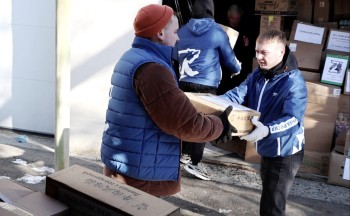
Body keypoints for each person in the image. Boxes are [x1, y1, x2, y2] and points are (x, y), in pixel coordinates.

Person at [100, 4, 235, 197]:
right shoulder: (154, 70)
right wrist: (220, 124)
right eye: (175, 31)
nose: (179, 37)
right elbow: (186, 124)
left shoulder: (130, 57)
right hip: (142, 175)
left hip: (127, 165)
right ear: (160, 34)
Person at [221, 29, 307, 215]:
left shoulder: (294, 82)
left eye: (264, 52)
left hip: (285, 150)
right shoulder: (258, 74)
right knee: (268, 194)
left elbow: (293, 120)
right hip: (267, 145)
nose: (259, 57)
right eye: (257, 51)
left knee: (273, 201)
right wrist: (216, 103)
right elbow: (238, 94)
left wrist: (267, 130)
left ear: (281, 51)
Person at [173, 0, 241, 181]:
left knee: (185, 119)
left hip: (184, 82)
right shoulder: (217, 32)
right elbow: (229, 60)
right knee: (203, 122)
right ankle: (194, 162)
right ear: (211, 11)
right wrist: (237, 69)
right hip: (206, 84)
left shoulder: (181, 31)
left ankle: (182, 155)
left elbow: (174, 55)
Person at [217, 3, 254, 94]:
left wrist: (246, 45)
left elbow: (246, 54)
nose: (235, 21)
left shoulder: (244, 30)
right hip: (223, 67)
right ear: (228, 17)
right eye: (232, 18)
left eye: (237, 19)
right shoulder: (221, 29)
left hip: (237, 68)